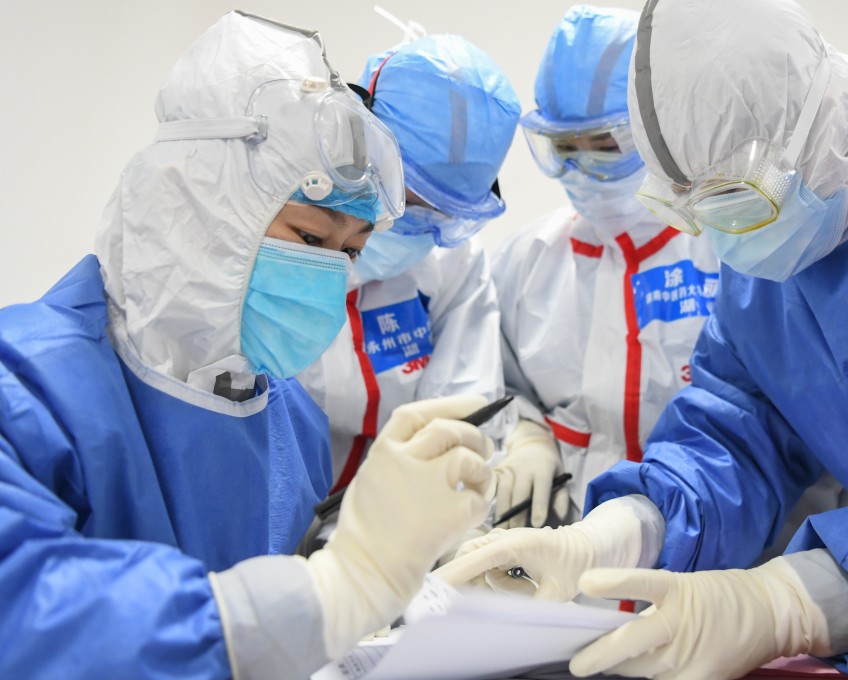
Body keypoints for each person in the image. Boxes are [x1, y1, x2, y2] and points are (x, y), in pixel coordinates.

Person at [437, 0, 848, 677]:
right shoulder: (771, 259)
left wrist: (787, 602)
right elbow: (734, 434)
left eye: (730, 199)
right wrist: (619, 534)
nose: (711, 236)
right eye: (681, 204)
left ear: (822, 126)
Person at [0, 12, 492, 680]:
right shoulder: (24, 393)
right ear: (205, 205)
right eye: (312, 240)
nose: (334, 277)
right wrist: (329, 594)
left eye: (353, 251)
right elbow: (26, 611)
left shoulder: (288, 420)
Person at [489, 4, 718, 532]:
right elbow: (491, 382)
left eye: (606, 146)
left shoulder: (728, 253)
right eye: (566, 147)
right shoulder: (528, 261)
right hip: (563, 560)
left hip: (709, 553)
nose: (583, 168)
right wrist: (524, 433)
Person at [297, 32, 519, 503]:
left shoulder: (452, 262)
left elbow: (460, 412)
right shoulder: (286, 238)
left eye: (436, 211)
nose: (408, 221)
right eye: (403, 194)